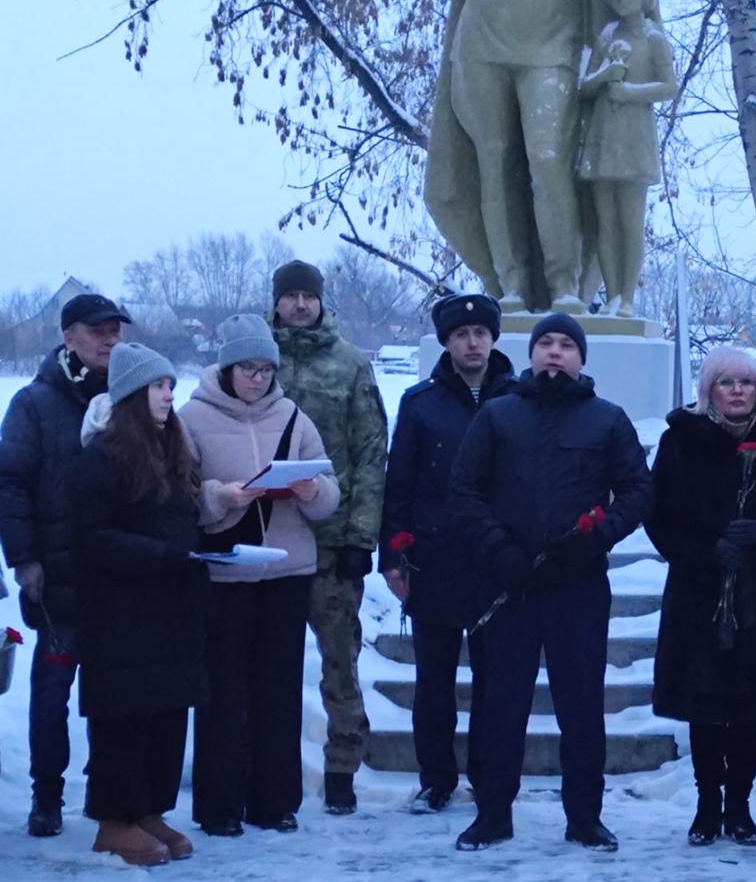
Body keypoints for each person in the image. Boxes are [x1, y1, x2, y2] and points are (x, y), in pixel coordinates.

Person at [450, 312, 653, 851]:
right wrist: (500, 550)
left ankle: (584, 816)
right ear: (531, 354)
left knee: (581, 704)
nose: (555, 353)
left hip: (577, 584)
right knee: (501, 702)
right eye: (546, 344)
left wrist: (596, 538)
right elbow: (464, 491)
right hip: (507, 584)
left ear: (582, 358)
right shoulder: (497, 416)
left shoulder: (608, 420)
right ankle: (493, 812)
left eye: (566, 345)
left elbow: (637, 491)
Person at [424, 0, 652, 313]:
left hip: (556, 22)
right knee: (493, 161)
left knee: (549, 157)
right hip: (485, 20)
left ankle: (563, 283)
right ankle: (509, 285)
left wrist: (644, 32)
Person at [645, 348, 756, 846]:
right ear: (709, 390)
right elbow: (659, 515)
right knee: (705, 703)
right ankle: (706, 805)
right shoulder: (680, 442)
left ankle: (739, 806)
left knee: (749, 703)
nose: (739, 391)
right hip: (698, 589)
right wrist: (706, 548)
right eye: (727, 382)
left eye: (747, 383)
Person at [180, 314, 340, 836]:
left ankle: (275, 802)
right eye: (248, 368)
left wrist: (313, 492)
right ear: (226, 368)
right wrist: (219, 496)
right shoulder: (192, 418)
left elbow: (329, 488)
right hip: (225, 575)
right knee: (223, 692)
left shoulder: (293, 416)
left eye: (267, 369)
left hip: (287, 573)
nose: (258, 378)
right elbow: (178, 494)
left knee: (278, 690)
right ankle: (219, 806)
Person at [0, 292, 132, 837]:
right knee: (53, 692)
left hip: (117, 577)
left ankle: (110, 794)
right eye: (98, 331)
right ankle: (46, 796)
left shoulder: (130, 400)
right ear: (69, 336)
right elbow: (9, 484)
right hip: (56, 578)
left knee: (115, 693)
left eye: (115, 331)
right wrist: (25, 559)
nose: (109, 340)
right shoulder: (34, 403)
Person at [72, 344, 208, 866]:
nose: (169, 396)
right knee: (124, 717)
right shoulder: (101, 457)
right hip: (120, 615)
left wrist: (199, 554)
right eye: (158, 386)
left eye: (171, 386)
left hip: (170, 609)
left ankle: (150, 808)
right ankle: (114, 819)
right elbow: (91, 536)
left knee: (166, 713)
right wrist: (163, 556)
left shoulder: (171, 450)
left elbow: (180, 519)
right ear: (131, 394)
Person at [380, 292, 515, 813]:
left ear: (493, 338)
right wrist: (393, 554)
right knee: (434, 680)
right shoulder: (420, 402)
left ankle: (487, 773)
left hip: (495, 559)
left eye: (481, 332)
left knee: (495, 678)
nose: (472, 341)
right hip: (434, 560)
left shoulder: (517, 397)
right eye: (461, 334)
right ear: (447, 343)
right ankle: (436, 777)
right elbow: (401, 483)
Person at [269, 260, 388, 815]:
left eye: (307, 296)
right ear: (275, 302)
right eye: (289, 296)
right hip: (263, 542)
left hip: (331, 542)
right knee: (261, 664)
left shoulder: (350, 365)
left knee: (340, 664)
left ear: (321, 302)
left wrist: (362, 538)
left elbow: (370, 455)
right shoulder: (252, 362)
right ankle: (262, 768)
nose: (298, 305)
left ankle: (343, 767)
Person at [577, 0, 678, 318]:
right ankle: (612, 294)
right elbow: (584, 86)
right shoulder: (607, 36)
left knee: (630, 220)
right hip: (604, 134)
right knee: (605, 220)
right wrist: (605, 76)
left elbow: (669, 86)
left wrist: (630, 91)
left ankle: (628, 297)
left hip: (635, 136)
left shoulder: (653, 39)